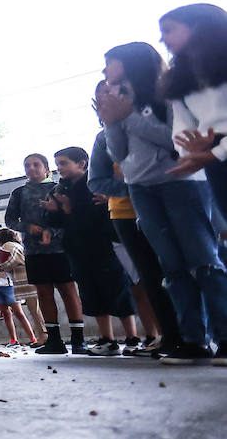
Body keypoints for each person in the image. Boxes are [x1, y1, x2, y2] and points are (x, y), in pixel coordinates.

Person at [99, 39, 227, 365]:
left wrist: (126, 117)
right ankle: (192, 341)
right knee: (171, 268)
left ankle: (224, 337)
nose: (105, 70)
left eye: (109, 62)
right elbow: (119, 153)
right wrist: (112, 121)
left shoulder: (166, 94)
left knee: (204, 261)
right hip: (141, 189)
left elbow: (176, 141)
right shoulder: (119, 100)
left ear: (129, 63)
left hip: (182, 184)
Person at [89, 117, 176, 357]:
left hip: (167, 205)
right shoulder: (102, 139)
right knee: (148, 278)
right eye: (102, 100)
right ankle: (167, 336)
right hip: (125, 214)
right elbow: (97, 181)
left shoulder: (158, 123)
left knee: (179, 270)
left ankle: (197, 335)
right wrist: (136, 184)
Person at [41, 146, 138, 357]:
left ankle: (132, 337)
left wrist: (68, 209)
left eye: (64, 163)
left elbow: (97, 215)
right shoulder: (60, 189)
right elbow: (57, 222)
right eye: (57, 164)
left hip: (102, 245)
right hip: (76, 248)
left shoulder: (94, 185)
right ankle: (107, 339)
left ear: (82, 164)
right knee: (91, 292)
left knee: (116, 288)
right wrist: (54, 211)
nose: (60, 168)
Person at [5, 153, 86, 354]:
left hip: (61, 248)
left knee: (68, 290)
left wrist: (53, 231)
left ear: (46, 169)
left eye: (36, 164)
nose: (31, 168)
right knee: (44, 293)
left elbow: (70, 216)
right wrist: (28, 227)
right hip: (34, 251)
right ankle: (54, 341)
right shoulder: (18, 193)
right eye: (27, 165)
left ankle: (78, 340)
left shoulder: (58, 188)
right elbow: (10, 220)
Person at [160, 4, 227, 220]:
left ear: (199, 26)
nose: (163, 39)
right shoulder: (179, 77)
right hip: (213, 156)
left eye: (169, 30)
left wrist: (216, 152)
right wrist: (189, 151)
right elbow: (182, 125)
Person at [0, 230, 39, 347]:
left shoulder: (4, 254)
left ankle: (33, 338)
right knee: (6, 314)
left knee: (19, 313)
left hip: (8, 287)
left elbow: (9, 270)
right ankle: (13, 340)